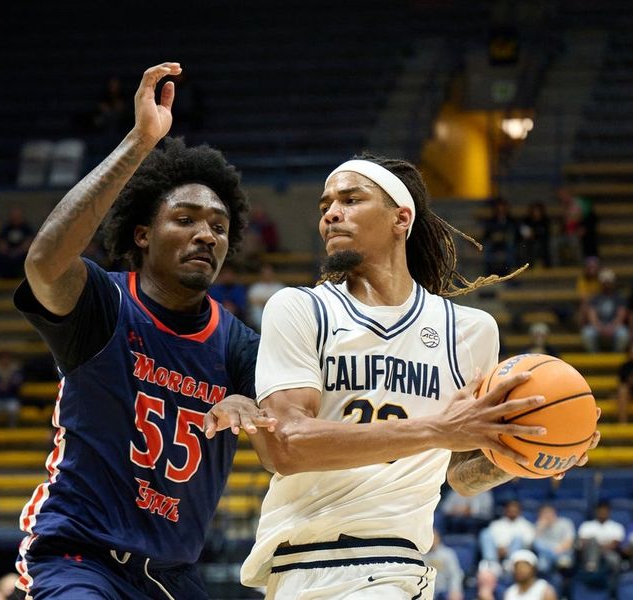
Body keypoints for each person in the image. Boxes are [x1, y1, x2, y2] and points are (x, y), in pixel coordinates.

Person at [240, 153, 599, 597]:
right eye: (325, 205)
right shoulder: (301, 309)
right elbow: (285, 445)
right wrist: (437, 428)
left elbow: (461, 476)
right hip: (304, 563)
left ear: (401, 217)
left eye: (351, 199)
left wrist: (529, 451)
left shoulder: (470, 332)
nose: (332, 213)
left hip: (398, 566)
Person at [10, 62, 275, 600]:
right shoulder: (104, 305)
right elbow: (44, 263)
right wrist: (138, 142)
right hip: (78, 555)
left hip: (172, 577)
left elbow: (292, 429)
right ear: (143, 234)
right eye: (185, 219)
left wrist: (257, 410)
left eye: (219, 228)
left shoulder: (240, 345)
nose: (206, 234)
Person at [580, 268, 629, 353]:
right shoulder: (595, 298)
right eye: (604, 282)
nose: (606, 284)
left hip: (614, 326)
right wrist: (600, 328)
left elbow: (621, 316)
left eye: (608, 282)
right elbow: (592, 317)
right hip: (598, 326)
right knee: (587, 333)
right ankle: (594, 356)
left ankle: (616, 354)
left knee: (623, 333)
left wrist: (612, 327)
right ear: (600, 283)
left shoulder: (619, 298)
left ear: (613, 282)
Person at [577, 501, 624, 579]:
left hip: (608, 553)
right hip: (588, 554)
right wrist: (596, 546)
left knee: (614, 559)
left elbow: (614, 545)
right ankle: (591, 571)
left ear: (609, 512)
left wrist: (597, 549)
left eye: (605, 511)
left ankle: (614, 582)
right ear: (596, 511)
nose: (603, 513)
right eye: (600, 510)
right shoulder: (587, 525)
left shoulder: (617, 527)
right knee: (593, 540)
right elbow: (583, 543)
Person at [532, 504, 575, 574]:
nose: (547, 515)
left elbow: (569, 541)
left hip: (563, 551)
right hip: (547, 555)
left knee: (543, 561)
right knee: (542, 565)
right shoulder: (539, 525)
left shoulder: (565, 522)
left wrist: (558, 549)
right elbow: (536, 544)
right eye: (544, 513)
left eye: (549, 512)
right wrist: (541, 527)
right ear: (539, 515)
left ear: (554, 512)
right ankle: (558, 559)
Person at [0, 207, 34, 278]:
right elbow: (1, 243)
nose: (15, 218)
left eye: (17, 216)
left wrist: (17, 251)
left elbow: (28, 242)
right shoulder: (6, 228)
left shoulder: (27, 228)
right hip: (8, 253)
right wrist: (9, 251)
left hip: (22, 253)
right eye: (13, 216)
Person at [482, 197, 518, 276]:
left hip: (506, 243)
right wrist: (494, 236)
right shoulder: (491, 220)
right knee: (487, 248)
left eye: (503, 208)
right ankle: (488, 273)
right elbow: (486, 235)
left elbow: (515, 233)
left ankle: (510, 273)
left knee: (511, 247)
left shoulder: (511, 220)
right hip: (494, 243)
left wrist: (504, 236)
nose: (501, 210)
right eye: (499, 208)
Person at [425, 530, 464, 600]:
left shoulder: (448, 553)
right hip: (427, 591)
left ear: (438, 538)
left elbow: (455, 574)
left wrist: (455, 590)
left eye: (433, 537)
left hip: (445, 590)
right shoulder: (420, 555)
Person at [246, 263, 285, 331]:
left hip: (276, 311)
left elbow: (283, 302)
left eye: (269, 273)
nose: (267, 275)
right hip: (259, 311)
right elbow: (252, 301)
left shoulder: (279, 287)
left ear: (273, 274)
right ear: (261, 274)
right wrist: (269, 302)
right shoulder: (255, 287)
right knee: (257, 311)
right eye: (265, 273)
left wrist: (263, 301)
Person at [516, 202, 551, 269]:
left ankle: (547, 266)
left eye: (538, 211)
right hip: (528, 241)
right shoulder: (527, 220)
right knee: (523, 245)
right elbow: (522, 231)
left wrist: (535, 234)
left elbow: (546, 233)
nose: (536, 213)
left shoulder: (545, 220)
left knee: (542, 245)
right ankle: (526, 266)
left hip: (542, 241)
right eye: (535, 211)